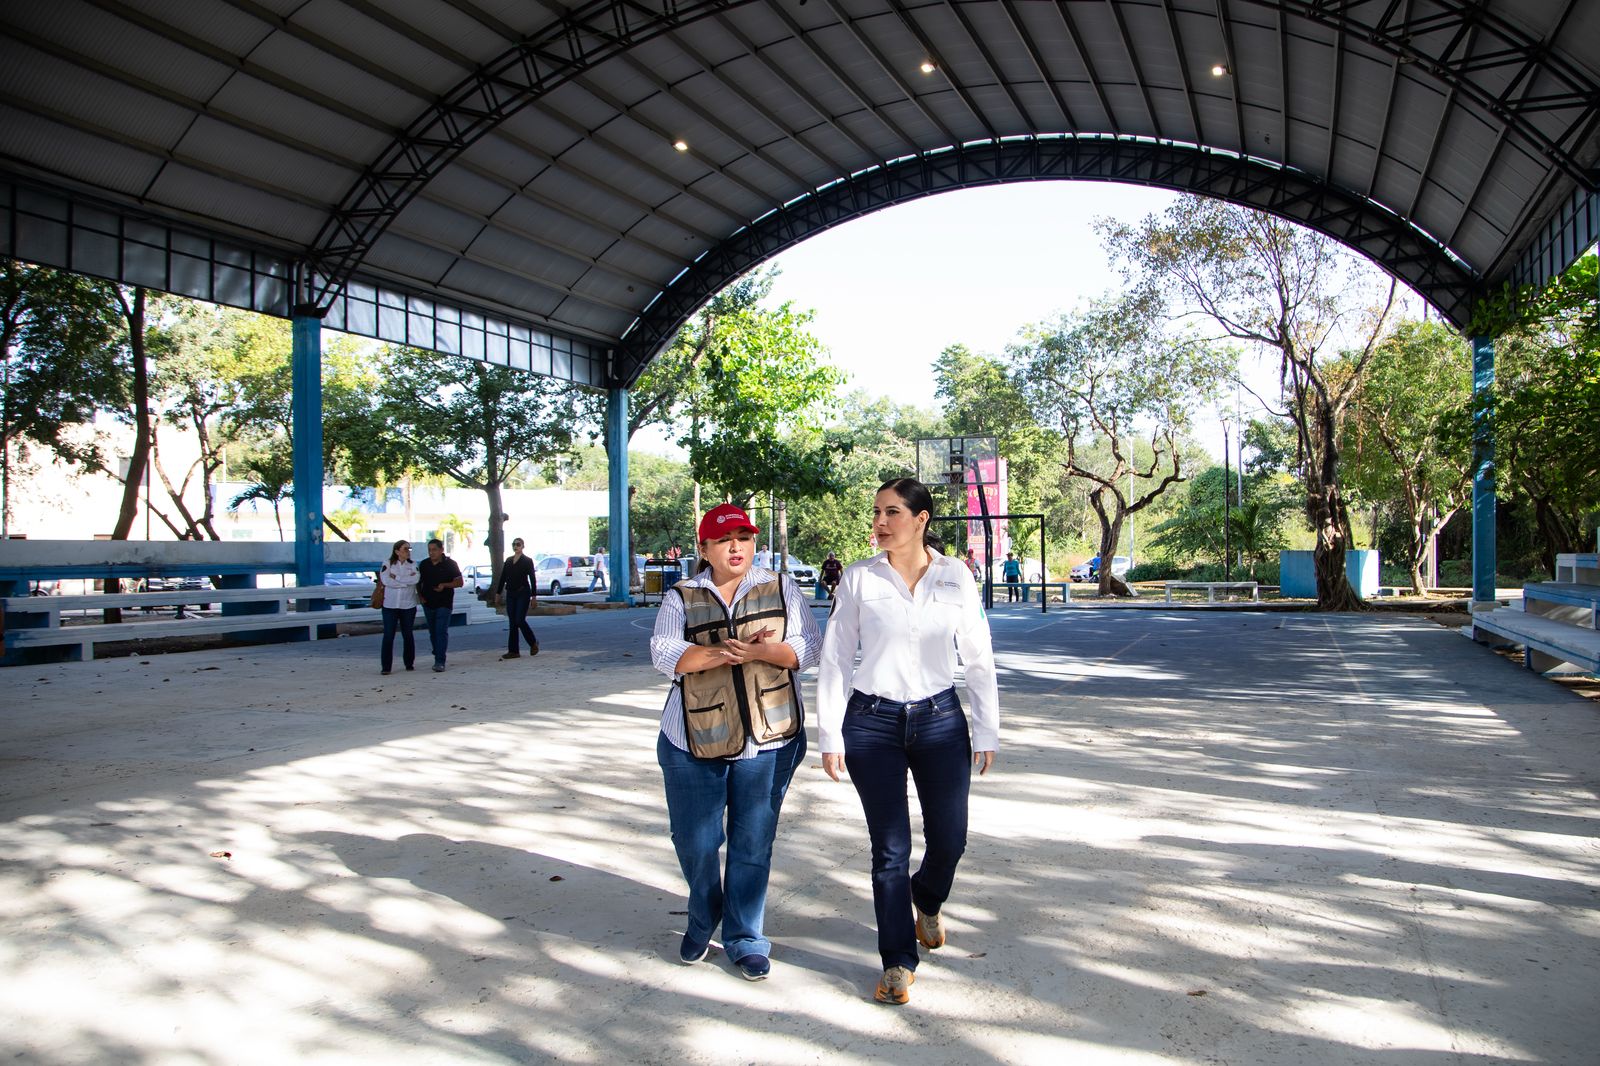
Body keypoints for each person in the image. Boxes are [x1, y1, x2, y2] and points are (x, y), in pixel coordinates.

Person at [816, 477, 1000, 1006]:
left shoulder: (956, 576)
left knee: (950, 839)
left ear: (921, 520)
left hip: (941, 721)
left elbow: (979, 656)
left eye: (891, 512)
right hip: (871, 723)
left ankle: (927, 899)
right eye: (876, 512)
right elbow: (834, 659)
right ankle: (897, 959)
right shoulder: (857, 579)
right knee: (890, 850)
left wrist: (986, 727)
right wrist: (830, 733)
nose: (879, 522)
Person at [649, 503, 820, 982]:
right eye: (724, 539)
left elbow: (808, 647)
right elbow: (665, 653)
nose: (736, 546)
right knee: (696, 841)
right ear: (704, 549)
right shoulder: (682, 596)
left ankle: (745, 937)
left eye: (744, 537)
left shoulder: (781, 587)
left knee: (752, 843)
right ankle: (703, 919)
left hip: (769, 740)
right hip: (690, 741)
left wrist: (762, 650)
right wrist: (726, 651)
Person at [417, 538, 463, 672]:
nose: (432, 553)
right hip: (428, 602)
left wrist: (445, 585)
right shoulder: (424, 564)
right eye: (429, 550)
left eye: (434, 550)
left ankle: (440, 660)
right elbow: (418, 582)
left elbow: (459, 582)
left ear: (441, 550)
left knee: (441, 631)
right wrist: (420, 596)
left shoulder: (451, 564)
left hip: (444, 602)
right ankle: (437, 650)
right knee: (433, 632)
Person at [377, 539, 420, 675]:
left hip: (408, 604)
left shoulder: (413, 565)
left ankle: (409, 662)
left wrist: (397, 578)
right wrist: (403, 581)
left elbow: (415, 579)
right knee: (389, 635)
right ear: (397, 551)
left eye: (409, 549)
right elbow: (386, 580)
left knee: (408, 634)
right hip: (390, 604)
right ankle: (386, 666)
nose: (408, 551)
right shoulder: (388, 564)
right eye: (405, 549)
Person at [495, 537, 538, 659]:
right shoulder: (508, 561)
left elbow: (532, 579)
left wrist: (534, 596)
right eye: (514, 544)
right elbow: (503, 577)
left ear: (523, 546)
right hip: (511, 593)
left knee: (519, 619)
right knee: (512, 621)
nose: (516, 546)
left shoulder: (527, 561)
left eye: (518, 544)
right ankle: (513, 650)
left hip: (523, 592)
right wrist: (498, 593)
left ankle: (533, 642)